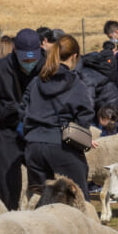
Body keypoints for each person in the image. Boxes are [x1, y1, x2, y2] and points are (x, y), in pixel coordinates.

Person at [0, 28, 42, 210]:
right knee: (6, 184)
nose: (29, 63)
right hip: (5, 132)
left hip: (36, 130)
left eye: (33, 58)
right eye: (25, 59)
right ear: (15, 52)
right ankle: (6, 220)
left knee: (44, 179)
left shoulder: (44, 68)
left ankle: (45, 220)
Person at [22, 35, 96, 196]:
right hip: (62, 145)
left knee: (40, 200)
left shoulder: (36, 82)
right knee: (77, 198)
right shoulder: (76, 84)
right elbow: (86, 113)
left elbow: (23, 108)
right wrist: (79, 132)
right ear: (74, 56)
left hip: (34, 147)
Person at [76, 45, 118, 117]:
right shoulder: (91, 68)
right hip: (109, 100)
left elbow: (89, 101)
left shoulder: (86, 75)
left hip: (106, 105)